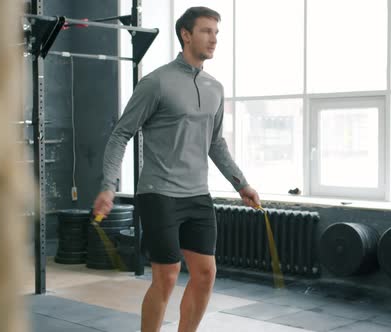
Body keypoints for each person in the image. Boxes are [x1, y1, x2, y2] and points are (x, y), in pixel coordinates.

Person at [93, 6, 260, 332]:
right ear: (186, 34)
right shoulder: (156, 83)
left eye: (216, 33)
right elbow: (121, 133)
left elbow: (215, 143)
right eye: (206, 31)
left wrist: (241, 184)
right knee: (167, 276)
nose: (213, 39)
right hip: (159, 194)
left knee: (205, 274)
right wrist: (109, 185)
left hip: (198, 195)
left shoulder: (215, 88)